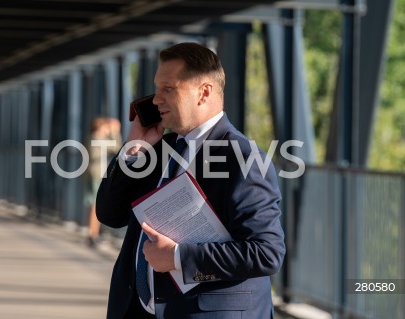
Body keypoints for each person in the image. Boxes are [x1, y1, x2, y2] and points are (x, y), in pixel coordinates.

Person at [96, 42, 285, 318]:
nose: (156, 99)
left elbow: (265, 252)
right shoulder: (159, 147)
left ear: (204, 92)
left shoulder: (244, 158)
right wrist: (133, 149)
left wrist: (176, 258)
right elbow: (109, 214)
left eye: (168, 89)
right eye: (157, 88)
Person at [83, 117, 122, 247]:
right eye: (106, 127)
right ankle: (92, 234)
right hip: (97, 175)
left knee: (93, 204)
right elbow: (117, 148)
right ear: (100, 128)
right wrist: (115, 132)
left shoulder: (92, 137)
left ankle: (93, 233)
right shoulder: (98, 139)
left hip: (92, 174)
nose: (108, 130)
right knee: (95, 205)